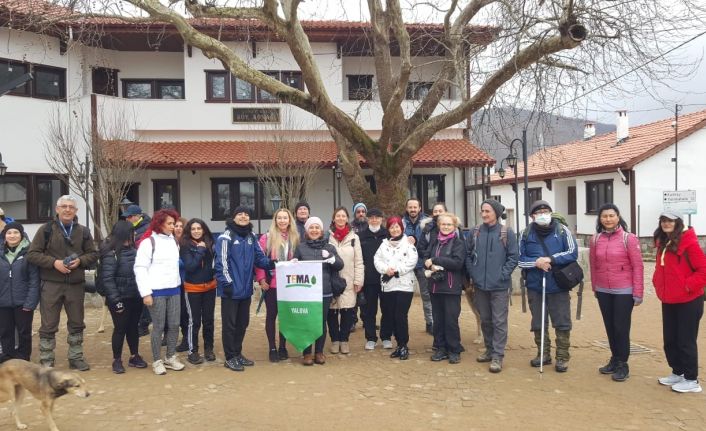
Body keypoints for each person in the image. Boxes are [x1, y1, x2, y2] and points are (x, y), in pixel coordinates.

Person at [27, 195, 98, 370]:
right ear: (57, 209)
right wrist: (54, 263)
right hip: (51, 284)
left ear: (76, 211)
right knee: (48, 323)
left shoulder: (83, 231)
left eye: (71, 207)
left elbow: (93, 254)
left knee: (76, 322)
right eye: (64, 206)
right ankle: (46, 358)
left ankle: (75, 357)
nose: (67, 210)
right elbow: (32, 254)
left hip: (75, 284)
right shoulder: (46, 230)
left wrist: (80, 261)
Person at [518, 200, 578, 372]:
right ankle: (543, 353)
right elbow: (520, 259)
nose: (542, 214)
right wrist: (536, 262)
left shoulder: (562, 230)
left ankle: (562, 356)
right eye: (538, 212)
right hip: (535, 285)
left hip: (558, 284)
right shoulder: (525, 233)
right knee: (538, 321)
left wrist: (551, 259)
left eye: (546, 211)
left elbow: (572, 253)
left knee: (562, 321)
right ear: (532, 216)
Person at [652, 210, 706, 393]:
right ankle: (678, 372)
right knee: (671, 339)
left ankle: (691, 380)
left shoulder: (689, 243)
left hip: (689, 300)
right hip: (669, 299)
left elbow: (702, 270)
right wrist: (657, 283)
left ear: (678, 223)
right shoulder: (663, 242)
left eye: (671, 221)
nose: (666, 224)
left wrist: (687, 287)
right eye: (664, 221)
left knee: (685, 340)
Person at [589, 204, 643, 382]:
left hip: (624, 290)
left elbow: (638, 266)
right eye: (604, 216)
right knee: (610, 327)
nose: (608, 219)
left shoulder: (629, 238)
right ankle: (614, 358)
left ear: (618, 217)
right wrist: (595, 287)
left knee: (621, 327)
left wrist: (638, 292)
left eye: (611, 215)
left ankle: (623, 364)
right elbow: (593, 265)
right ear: (600, 219)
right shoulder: (595, 239)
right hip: (603, 289)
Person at [215, 206, 273, 372]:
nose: (243, 216)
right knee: (229, 325)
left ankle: (238, 353)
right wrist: (228, 284)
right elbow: (221, 264)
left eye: (246, 214)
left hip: (246, 290)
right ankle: (230, 357)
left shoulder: (251, 236)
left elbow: (260, 258)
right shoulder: (225, 238)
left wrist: (272, 263)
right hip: (231, 290)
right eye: (239, 214)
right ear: (233, 217)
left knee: (242, 323)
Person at [465, 199, 519, 373]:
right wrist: (474, 273)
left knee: (499, 321)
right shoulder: (475, 232)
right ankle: (489, 349)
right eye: (482, 211)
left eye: (487, 211)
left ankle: (498, 356)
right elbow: (467, 255)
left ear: (496, 213)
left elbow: (513, 257)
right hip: (480, 285)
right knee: (486, 319)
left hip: (500, 286)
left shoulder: (506, 232)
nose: (484, 214)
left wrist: (503, 275)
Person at [134, 209, 185, 375]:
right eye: (170, 223)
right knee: (158, 326)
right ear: (160, 223)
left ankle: (170, 356)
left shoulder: (174, 241)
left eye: (174, 223)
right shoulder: (148, 243)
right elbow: (140, 268)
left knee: (174, 324)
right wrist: (146, 293)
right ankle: (157, 360)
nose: (173, 227)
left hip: (174, 289)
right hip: (156, 291)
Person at [293, 216, 344, 365]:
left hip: (325, 291)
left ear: (321, 231)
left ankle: (319, 352)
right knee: (307, 322)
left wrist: (331, 258)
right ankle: (307, 353)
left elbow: (340, 265)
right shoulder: (301, 248)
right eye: (311, 228)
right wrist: (293, 263)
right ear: (307, 231)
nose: (314, 230)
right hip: (306, 292)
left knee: (321, 323)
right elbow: (293, 268)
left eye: (317, 228)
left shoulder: (329, 247)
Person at [100, 220, 148, 374]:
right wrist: (116, 301)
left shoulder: (136, 250)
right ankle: (117, 359)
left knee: (133, 328)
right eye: (132, 231)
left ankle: (134, 356)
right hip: (120, 299)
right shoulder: (111, 253)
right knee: (120, 329)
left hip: (135, 297)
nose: (134, 234)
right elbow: (107, 279)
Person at [255, 208, 299, 362]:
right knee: (271, 316)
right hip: (271, 284)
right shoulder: (266, 238)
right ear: (275, 220)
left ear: (289, 220)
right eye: (279, 218)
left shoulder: (295, 238)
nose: (282, 221)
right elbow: (259, 260)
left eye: (285, 218)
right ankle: (272, 347)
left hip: (290, 284)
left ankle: (282, 346)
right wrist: (261, 279)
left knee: (286, 318)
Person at [374, 216, 418, 360]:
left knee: (401, 316)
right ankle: (399, 345)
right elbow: (377, 260)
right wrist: (386, 269)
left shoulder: (409, 244)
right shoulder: (384, 244)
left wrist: (396, 271)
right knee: (391, 315)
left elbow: (411, 262)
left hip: (404, 285)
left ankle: (404, 344)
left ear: (401, 227)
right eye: (391, 227)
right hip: (388, 285)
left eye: (397, 226)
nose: (394, 229)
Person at [424, 213, 466, 364]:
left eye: (449, 224)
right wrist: (428, 264)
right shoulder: (435, 242)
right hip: (435, 286)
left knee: (451, 320)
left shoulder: (458, 243)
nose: (446, 227)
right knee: (438, 320)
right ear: (439, 225)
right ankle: (440, 347)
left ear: (454, 227)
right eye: (443, 224)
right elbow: (426, 258)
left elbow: (457, 263)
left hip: (451, 287)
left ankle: (454, 349)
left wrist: (435, 260)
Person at [0, 222, 39, 362]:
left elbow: (34, 281)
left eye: (16, 232)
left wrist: (31, 302)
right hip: (3, 301)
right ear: (5, 235)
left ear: (21, 235)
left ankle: (23, 357)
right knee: (5, 332)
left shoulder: (29, 253)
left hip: (23, 302)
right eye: (9, 233)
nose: (12, 235)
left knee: (24, 333)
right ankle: (8, 356)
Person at [180, 218, 217, 365]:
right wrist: (200, 250)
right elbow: (190, 266)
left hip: (210, 287)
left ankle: (209, 349)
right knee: (193, 322)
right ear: (189, 231)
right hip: (193, 288)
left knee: (208, 320)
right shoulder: (184, 246)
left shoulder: (211, 244)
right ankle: (192, 351)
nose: (196, 231)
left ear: (204, 230)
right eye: (193, 229)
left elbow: (214, 263)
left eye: (199, 228)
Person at [327, 207, 364, 355]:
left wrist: (358, 280)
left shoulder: (354, 238)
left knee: (348, 311)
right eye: (338, 216)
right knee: (332, 312)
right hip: (331, 280)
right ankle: (335, 340)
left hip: (349, 280)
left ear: (347, 218)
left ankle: (344, 340)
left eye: (343, 216)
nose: (341, 218)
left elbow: (359, 261)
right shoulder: (327, 237)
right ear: (334, 218)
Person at [358, 208, 388, 350]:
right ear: (367, 219)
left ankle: (386, 336)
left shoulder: (388, 235)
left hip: (387, 279)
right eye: (372, 217)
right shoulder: (361, 236)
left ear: (382, 219)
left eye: (377, 217)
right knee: (369, 310)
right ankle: (370, 338)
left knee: (387, 309)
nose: (374, 220)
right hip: (368, 279)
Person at [403, 198, 433, 335]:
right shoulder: (401, 222)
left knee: (426, 295)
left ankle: (430, 322)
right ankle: (400, 324)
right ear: (406, 208)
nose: (413, 209)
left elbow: (430, 242)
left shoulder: (427, 222)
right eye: (410, 207)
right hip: (405, 265)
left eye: (415, 207)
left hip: (422, 264)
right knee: (402, 295)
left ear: (420, 208)